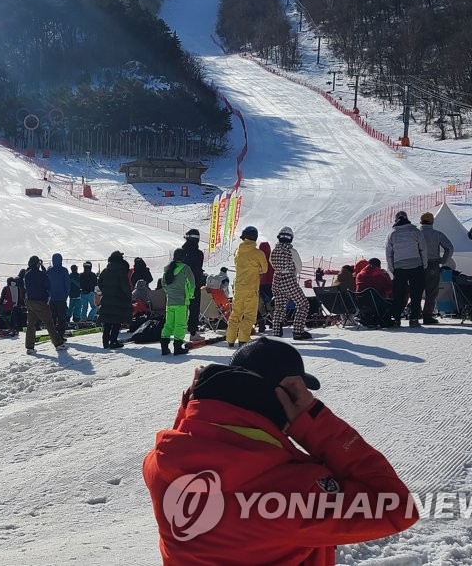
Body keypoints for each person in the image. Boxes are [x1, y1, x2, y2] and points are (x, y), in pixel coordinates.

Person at [143, 337, 418, 565]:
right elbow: (397, 507)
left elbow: (195, 437)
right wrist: (315, 420)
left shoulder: (159, 466)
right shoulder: (291, 492)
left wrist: (190, 408)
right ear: (289, 392)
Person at [386, 210, 427, 328]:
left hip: (399, 267)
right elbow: (423, 249)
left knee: (398, 294)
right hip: (416, 266)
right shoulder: (416, 231)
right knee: (416, 294)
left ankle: (397, 319)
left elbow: (389, 253)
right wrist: (423, 265)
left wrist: (392, 268)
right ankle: (414, 319)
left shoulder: (392, 234)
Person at [229, 226, 268, 348]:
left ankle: (230, 338)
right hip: (251, 288)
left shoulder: (237, 251)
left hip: (238, 287)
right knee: (249, 315)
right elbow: (265, 268)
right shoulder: (258, 253)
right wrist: (256, 269)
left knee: (236, 313)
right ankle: (243, 339)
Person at [270, 226, 312, 340]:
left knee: (279, 307)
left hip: (276, 280)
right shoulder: (291, 251)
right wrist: (291, 271)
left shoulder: (274, 250)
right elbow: (299, 267)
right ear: (291, 238)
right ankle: (298, 331)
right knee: (303, 304)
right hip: (288, 279)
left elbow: (272, 263)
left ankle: (276, 333)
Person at [23, 256, 64, 354]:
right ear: (38, 263)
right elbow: (48, 285)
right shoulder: (41, 274)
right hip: (41, 301)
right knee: (49, 322)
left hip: (30, 301)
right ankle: (58, 344)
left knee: (31, 324)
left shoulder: (27, 275)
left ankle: (29, 347)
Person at [419, 212, 454, 324]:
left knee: (416, 291)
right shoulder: (437, 234)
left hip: (417, 265)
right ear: (432, 221)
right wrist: (443, 261)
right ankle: (427, 316)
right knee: (432, 291)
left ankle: (414, 314)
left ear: (421, 221)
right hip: (433, 264)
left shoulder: (416, 234)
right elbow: (449, 248)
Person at [161, 249, 197, 355]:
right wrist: (190, 295)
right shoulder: (186, 268)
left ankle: (164, 347)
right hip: (181, 301)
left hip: (170, 302)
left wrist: (169, 293)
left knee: (168, 324)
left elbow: (163, 283)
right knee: (180, 325)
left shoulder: (168, 268)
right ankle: (177, 348)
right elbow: (192, 284)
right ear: (183, 257)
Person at [98, 251, 132, 350]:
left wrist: (106, 291)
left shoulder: (105, 270)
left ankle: (105, 342)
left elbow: (99, 283)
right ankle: (113, 341)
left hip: (106, 299)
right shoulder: (121, 271)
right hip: (118, 300)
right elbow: (125, 287)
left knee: (107, 321)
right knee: (117, 321)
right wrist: (128, 296)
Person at [181, 229, 205, 336]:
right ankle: (193, 331)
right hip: (193, 283)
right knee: (194, 307)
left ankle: (180, 329)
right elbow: (197, 269)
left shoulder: (181, 252)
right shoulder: (199, 254)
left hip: (181, 283)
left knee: (181, 307)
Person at [47, 254, 70, 339]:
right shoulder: (64, 270)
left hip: (51, 298)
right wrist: (66, 295)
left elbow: (46, 284)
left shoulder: (49, 271)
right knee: (62, 318)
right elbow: (67, 285)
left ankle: (53, 334)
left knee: (52, 317)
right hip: (61, 298)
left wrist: (48, 295)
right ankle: (60, 335)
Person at [256, 241, 274, 333]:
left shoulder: (258, 259)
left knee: (260, 305)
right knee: (271, 304)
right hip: (271, 284)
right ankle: (274, 322)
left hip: (260, 284)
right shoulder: (272, 258)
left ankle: (261, 323)